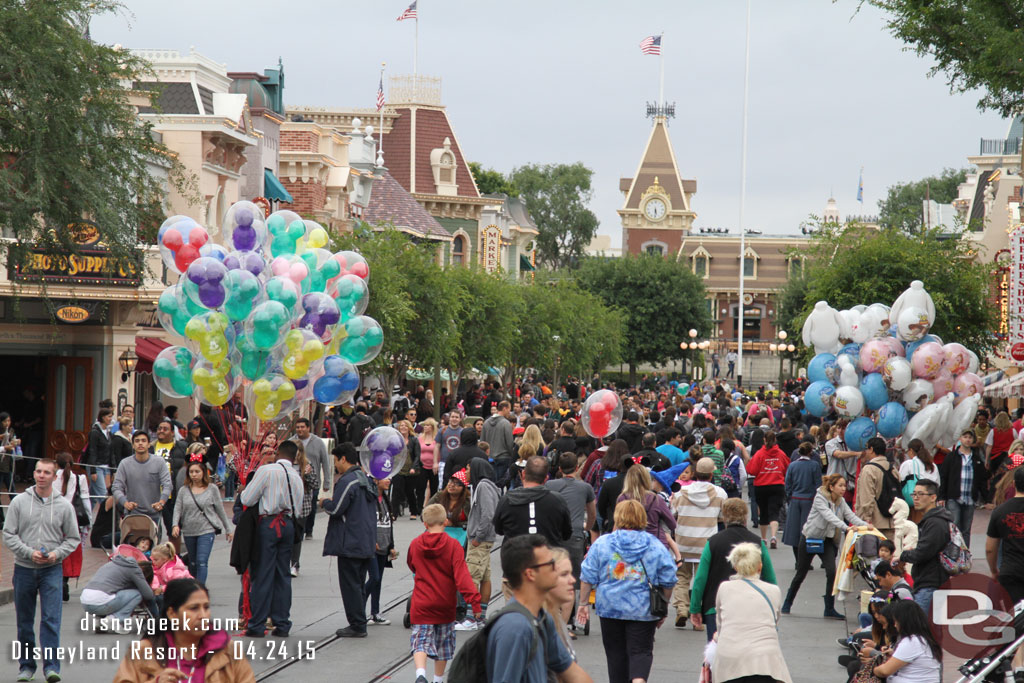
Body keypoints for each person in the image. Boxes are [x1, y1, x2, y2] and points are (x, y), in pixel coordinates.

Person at [577, 500, 676, 683]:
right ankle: (639, 680)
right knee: (641, 651)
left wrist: (583, 603)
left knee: (615, 654)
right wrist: (663, 605)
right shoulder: (654, 544)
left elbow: (587, 574)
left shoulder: (603, 543)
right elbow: (669, 578)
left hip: (610, 606)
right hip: (643, 608)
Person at [2, 458, 80, 683]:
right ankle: (26, 667)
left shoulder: (64, 506)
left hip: (52, 569)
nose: (41, 475)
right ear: (34, 474)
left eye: (47, 472)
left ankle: (52, 667)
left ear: (55, 477)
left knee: (50, 619)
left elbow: (73, 538)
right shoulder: (19, 502)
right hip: (24, 568)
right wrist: (28, 552)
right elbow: (8, 534)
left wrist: (57, 554)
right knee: (24, 620)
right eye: (38, 471)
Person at [486, 534, 590, 683]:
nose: (572, 579)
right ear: (530, 574)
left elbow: (571, 672)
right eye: (550, 565)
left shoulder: (542, 618)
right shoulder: (516, 627)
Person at [114, 578, 255, 683]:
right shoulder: (142, 651)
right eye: (194, 608)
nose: (203, 615)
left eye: (206, 607)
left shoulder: (228, 650)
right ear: (172, 614)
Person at [408, 504, 483, 683]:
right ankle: (438, 679)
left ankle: (420, 674)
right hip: (445, 603)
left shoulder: (415, 544)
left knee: (420, 641)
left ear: (425, 524)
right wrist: (475, 602)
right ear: (446, 522)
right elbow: (462, 577)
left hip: (421, 602)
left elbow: (412, 565)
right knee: (443, 644)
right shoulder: (453, 546)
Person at [237, 439, 304, 637]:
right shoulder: (297, 476)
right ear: (294, 458)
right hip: (288, 525)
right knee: (283, 575)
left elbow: (247, 499)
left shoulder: (267, 471)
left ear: (277, 454)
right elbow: (299, 510)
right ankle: (282, 623)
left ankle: (257, 624)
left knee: (263, 574)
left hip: (269, 524)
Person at [781, 473, 868, 618]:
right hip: (810, 537)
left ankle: (829, 608)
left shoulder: (840, 501)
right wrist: (846, 528)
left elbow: (850, 515)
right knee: (801, 573)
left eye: (844, 486)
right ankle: (787, 602)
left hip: (827, 539)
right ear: (831, 487)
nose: (843, 489)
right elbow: (829, 516)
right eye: (840, 486)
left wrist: (867, 526)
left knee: (831, 572)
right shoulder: (819, 498)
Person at [690, 499, 776, 641]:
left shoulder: (713, 542)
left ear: (724, 517)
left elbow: (700, 578)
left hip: (716, 606)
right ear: (745, 517)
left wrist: (695, 608)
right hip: (750, 605)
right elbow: (769, 577)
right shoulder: (757, 542)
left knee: (717, 652)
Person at [712, 542, 792, 683]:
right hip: (764, 659)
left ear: (735, 566)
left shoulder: (724, 588)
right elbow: (774, 622)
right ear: (760, 566)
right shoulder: (774, 591)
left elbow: (720, 624)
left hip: (730, 656)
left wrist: (719, 636)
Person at [321, 443, 377, 638]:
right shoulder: (365, 479)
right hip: (364, 540)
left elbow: (336, 509)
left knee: (350, 584)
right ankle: (359, 620)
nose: (335, 465)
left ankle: (357, 624)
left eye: (336, 461)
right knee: (358, 583)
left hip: (350, 542)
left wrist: (324, 502)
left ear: (343, 459)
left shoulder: (348, 481)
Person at [670, 457, 725, 629]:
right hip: (706, 544)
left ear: (695, 473)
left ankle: (682, 608)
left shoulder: (681, 493)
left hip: (683, 541)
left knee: (682, 577)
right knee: (703, 580)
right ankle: (697, 616)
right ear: (711, 474)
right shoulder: (720, 493)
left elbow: (673, 514)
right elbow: (722, 517)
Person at [894, 480, 952, 616]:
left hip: (931, 584)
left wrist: (903, 556)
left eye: (920, 494)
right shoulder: (931, 520)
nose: (916, 498)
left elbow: (923, 553)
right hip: (927, 582)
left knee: (920, 627)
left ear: (933, 497)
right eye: (914, 494)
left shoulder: (936, 522)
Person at [172, 457, 233, 585]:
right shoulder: (184, 490)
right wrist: (175, 525)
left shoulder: (212, 489)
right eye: (191, 472)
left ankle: (200, 588)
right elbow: (177, 508)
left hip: (206, 530)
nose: (194, 475)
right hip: (189, 530)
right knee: (193, 562)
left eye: (197, 472)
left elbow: (220, 510)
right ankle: (193, 587)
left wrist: (228, 529)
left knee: (201, 561)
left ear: (204, 472)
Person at [494, 456, 572, 548]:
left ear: (523, 474)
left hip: (515, 556)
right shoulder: (558, 500)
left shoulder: (506, 500)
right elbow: (566, 533)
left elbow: (499, 529)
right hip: (546, 556)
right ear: (546, 478)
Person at [546, 453, 596, 584]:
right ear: (577, 467)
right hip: (575, 535)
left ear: (560, 469)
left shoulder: (549, 485)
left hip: (553, 535)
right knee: (573, 578)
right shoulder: (585, 488)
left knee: (552, 574)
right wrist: (587, 528)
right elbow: (592, 513)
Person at [461, 458, 499, 630]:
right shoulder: (488, 486)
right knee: (484, 577)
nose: (466, 472)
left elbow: (488, 514)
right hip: (485, 539)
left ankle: (471, 617)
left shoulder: (483, 487)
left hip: (480, 540)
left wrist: (477, 537)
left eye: (468, 468)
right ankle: (480, 617)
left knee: (472, 577)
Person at [112, 431, 172, 539]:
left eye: (144, 441)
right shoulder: (125, 463)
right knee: (132, 550)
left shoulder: (159, 462)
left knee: (152, 552)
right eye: (137, 441)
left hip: (154, 515)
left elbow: (167, 484)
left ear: (149, 444)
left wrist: (161, 502)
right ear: (133, 444)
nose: (140, 444)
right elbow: (116, 487)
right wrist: (125, 503)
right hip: (132, 515)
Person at [864, 600, 942, 681]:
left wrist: (873, 669)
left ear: (904, 622)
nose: (895, 625)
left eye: (896, 621)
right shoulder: (923, 639)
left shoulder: (912, 642)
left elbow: (885, 671)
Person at [80, 554, 155, 634]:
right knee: (137, 594)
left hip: (85, 601)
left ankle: (99, 621)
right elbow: (148, 595)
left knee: (110, 593)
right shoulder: (133, 568)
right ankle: (114, 620)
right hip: (101, 602)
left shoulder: (110, 564)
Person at [938, 429, 986, 547]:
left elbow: (982, 479)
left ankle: (965, 555)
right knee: (955, 526)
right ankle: (954, 554)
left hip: (970, 498)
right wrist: (942, 496)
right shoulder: (952, 457)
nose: (968, 439)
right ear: (960, 438)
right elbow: (944, 476)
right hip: (954, 497)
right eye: (965, 437)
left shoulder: (976, 458)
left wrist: (986, 497)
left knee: (966, 529)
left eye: (970, 437)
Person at [54, 452, 90, 602]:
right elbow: (85, 500)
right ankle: (65, 580)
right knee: (70, 551)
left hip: (54, 519)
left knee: (54, 549)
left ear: (57, 464)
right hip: (73, 519)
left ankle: (57, 580)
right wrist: (89, 521)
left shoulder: (53, 476)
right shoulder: (80, 478)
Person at [986, 465, 1024, 604]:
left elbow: (990, 548)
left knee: (1014, 615)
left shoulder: (1000, 511)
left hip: (1010, 571)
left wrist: (994, 570)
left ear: (1013, 484)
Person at [747, 431, 790, 548]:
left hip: (761, 486)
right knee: (774, 512)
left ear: (764, 440)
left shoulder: (759, 454)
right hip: (777, 485)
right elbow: (787, 467)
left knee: (764, 513)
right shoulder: (781, 454)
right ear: (775, 440)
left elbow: (751, 470)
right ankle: (774, 537)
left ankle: (763, 538)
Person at [783, 441, 822, 566]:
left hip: (795, 499)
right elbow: (818, 485)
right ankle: (806, 561)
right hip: (809, 500)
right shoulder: (814, 465)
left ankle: (798, 560)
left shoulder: (793, 465)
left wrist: (790, 497)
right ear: (811, 452)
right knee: (807, 531)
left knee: (794, 531)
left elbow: (787, 483)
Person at [364, 475, 397, 626]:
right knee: (374, 577)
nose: (389, 480)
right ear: (375, 480)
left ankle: (375, 613)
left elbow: (389, 525)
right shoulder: (369, 499)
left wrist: (391, 546)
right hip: (372, 546)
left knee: (378, 581)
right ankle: (359, 608)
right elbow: (364, 522)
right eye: (385, 478)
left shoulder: (385, 499)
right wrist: (371, 540)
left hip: (384, 546)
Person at [290, 417, 329, 539]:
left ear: (308, 428)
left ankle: (309, 530)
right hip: (295, 481)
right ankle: (298, 529)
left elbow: (325, 462)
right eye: (297, 427)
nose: (299, 429)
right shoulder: (291, 442)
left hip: (313, 480)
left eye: (302, 427)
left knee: (311, 507)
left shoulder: (317, 442)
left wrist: (327, 482)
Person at [854, 437, 899, 541]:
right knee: (890, 553)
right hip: (892, 520)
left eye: (867, 449)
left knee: (873, 554)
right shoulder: (893, 468)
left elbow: (867, 496)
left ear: (871, 449)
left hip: (874, 523)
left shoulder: (869, 469)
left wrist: (866, 518)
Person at [544, 547, 578, 660]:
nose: (572, 580)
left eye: (570, 573)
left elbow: (568, 671)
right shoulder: (528, 625)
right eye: (564, 574)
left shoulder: (556, 622)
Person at [482, 401, 515, 485]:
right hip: (503, 457)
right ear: (504, 408)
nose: (509, 412)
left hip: (489, 458)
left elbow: (482, 442)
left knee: (490, 483)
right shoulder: (506, 424)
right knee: (500, 484)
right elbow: (509, 443)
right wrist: (512, 455)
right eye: (509, 409)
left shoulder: (486, 423)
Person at [86, 407, 113, 499]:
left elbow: (110, 451)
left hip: (105, 466)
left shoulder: (108, 433)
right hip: (97, 467)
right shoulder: (95, 432)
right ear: (103, 417)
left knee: (93, 495)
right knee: (103, 495)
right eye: (109, 416)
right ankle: (107, 513)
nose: (110, 419)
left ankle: (88, 512)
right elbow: (92, 451)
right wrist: (93, 470)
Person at [418, 418, 440, 499]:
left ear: (432, 427)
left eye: (428, 425)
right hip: (422, 466)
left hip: (434, 467)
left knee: (434, 488)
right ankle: (419, 508)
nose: (425, 427)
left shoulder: (437, 439)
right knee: (420, 488)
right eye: (425, 425)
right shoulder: (420, 438)